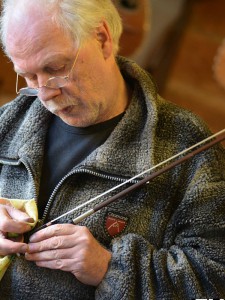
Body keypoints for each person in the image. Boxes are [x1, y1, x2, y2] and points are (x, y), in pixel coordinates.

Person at [0, 0, 225, 299]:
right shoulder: (9, 121)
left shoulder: (187, 145)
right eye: (28, 77)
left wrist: (108, 268)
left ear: (102, 38)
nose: (45, 93)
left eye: (55, 68)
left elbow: (215, 279)